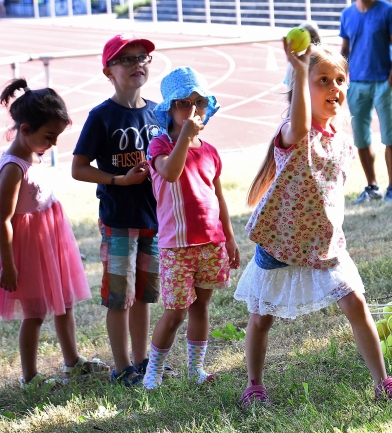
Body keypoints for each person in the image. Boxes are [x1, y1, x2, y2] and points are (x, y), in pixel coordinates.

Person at [234, 41, 392, 406]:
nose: (335, 88)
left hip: (324, 243)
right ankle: (254, 385)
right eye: (323, 81)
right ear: (301, 87)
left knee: (355, 303)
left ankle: (383, 382)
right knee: (261, 318)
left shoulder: (341, 141)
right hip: (281, 241)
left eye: (340, 80)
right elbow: (302, 123)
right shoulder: (293, 131)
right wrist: (301, 70)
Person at [71, 34, 168, 386]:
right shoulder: (101, 117)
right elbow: (78, 168)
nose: (137, 64)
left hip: (153, 221)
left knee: (144, 295)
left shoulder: (159, 112)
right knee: (119, 299)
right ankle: (121, 367)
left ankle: (142, 361)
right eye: (126, 59)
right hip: (118, 221)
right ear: (108, 71)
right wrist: (120, 181)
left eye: (142, 57)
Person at [0, 79, 109, 388]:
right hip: (28, 248)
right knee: (34, 313)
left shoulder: (32, 154)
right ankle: (30, 377)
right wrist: (9, 265)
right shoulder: (12, 168)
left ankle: (73, 361)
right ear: (24, 130)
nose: (54, 144)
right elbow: (3, 219)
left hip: (51, 240)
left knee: (64, 302)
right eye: (50, 136)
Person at [142, 67, 240, 390]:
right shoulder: (159, 147)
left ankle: (194, 368)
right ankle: (153, 371)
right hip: (176, 246)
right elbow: (170, 173)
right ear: (169, 109)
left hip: (210, 243)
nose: (192, 110)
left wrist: (229, 238)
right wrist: (183, 136)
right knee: (175, 313)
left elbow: (219, 197)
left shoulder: (210, 152)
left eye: (198, 102)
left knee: (201, 307)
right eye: (183, 103)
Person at [340, 0, 392, 203]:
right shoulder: (347, 14)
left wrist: (390, 82)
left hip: (383, 83)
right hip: (357, 85)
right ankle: (372, 187)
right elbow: (344, 50)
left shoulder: (388, 11)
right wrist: (341, 80)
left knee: (390, 136)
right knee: (360, 138)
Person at [284, 21, 321, 88]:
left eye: (312, 36)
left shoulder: (322, 60)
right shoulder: (292, 65)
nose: (311, 39)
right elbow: (290, 93)